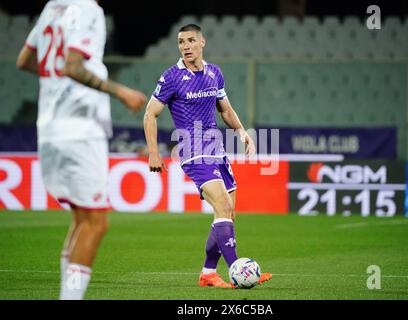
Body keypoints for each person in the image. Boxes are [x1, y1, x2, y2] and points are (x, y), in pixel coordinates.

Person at [16, 0, 147, 299]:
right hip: (80, 131)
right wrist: (121, 91)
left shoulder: (52, 7)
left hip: (49, 128)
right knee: (97, 223)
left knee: (81, 219)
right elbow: (73, 66)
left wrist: (58, 87)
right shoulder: (89, 9)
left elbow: (24, 60)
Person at [143, 24, 271, 288]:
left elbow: (225, 109)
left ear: (203, 42)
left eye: (191, 40)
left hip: (217, 149)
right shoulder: (171, 77)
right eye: (181, 42)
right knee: (223, 207)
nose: (186, 46)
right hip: (192, 150)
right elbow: (150, 113)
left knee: (227, 213)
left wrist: (241, 131)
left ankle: (207, 274)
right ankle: (239, 272)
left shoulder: (214, 73)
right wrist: (153, 152)